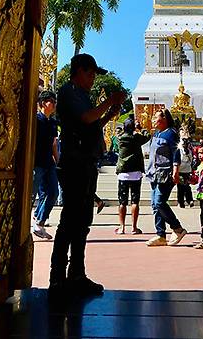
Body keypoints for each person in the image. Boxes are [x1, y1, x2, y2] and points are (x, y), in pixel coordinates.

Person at [49, 54, 124, 299]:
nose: (92, 79)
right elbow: (85, 118)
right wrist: (109, 101)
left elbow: (91, 124)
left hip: (87, 161)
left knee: (82, 222)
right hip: (74, 162)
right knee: (70, 221)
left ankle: (77, 274)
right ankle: (57, 277)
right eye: (90, 73)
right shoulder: (68, 92)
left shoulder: (83, 96)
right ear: (78, 71)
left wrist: (109, 116)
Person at [145, 109, 187, 247]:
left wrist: (175, 170)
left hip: (165, 173)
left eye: (155, 117)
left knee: (159, 202)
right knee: (155, 205)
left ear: (164, 118)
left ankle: (177, 228)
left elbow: (176, 152)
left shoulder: (171, 133)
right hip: (153, 173)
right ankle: (160, 235)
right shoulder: (157, 133)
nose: (153, 119)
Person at [114, 116, 150, 235]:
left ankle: (122, 227)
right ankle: (134, 227)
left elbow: (117, 134)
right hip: (135, 173)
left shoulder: (120, 138)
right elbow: (147, 136)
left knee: (122, 202)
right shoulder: (137, 137)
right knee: (135, 201)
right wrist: (140, 128)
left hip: (123, 173)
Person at [32, 90, 59, 240]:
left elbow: (54, 144)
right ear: (43, 103)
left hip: (49, 162)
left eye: (55, 102)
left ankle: (40, 223)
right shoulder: (36, 120)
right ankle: (24, 226)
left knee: (54, 192)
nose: (54, 104)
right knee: (31, 195)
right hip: (36, 162)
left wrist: (58, 161)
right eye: (51, 102)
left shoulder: (53, 123)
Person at [177, 135, 194, 208]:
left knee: (183, 186)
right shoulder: (186, 151)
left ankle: (186, 201)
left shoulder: (184, 151)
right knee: (184, 186)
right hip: (184, 170)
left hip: (183, 170)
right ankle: (184, 201)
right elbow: (191, 160)